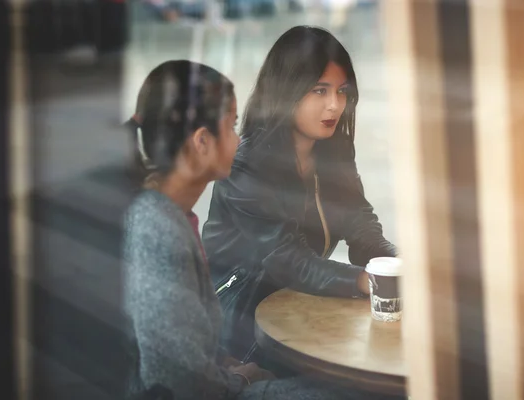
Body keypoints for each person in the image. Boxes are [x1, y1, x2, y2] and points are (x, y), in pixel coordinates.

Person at [122, 60, 400, 400]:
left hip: (225, 371)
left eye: (341, 92)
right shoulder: (157, 228)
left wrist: (227, 368)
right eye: (231, 126)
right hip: (236, 351)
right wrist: (242, 380)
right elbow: (176, 378)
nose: (239, 139)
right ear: (202, 142)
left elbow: (184, 349)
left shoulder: (169, 216)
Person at [202, 26, 398, 365]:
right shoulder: (246, 166)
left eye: (341, 91)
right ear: (286, 91)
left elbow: (359, 221)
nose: (334, 105)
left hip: (298, 302)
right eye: (319, 91)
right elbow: (285, 260)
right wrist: (368, 281)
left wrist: (395, 266)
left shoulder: (332, 150)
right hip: (239, 320)